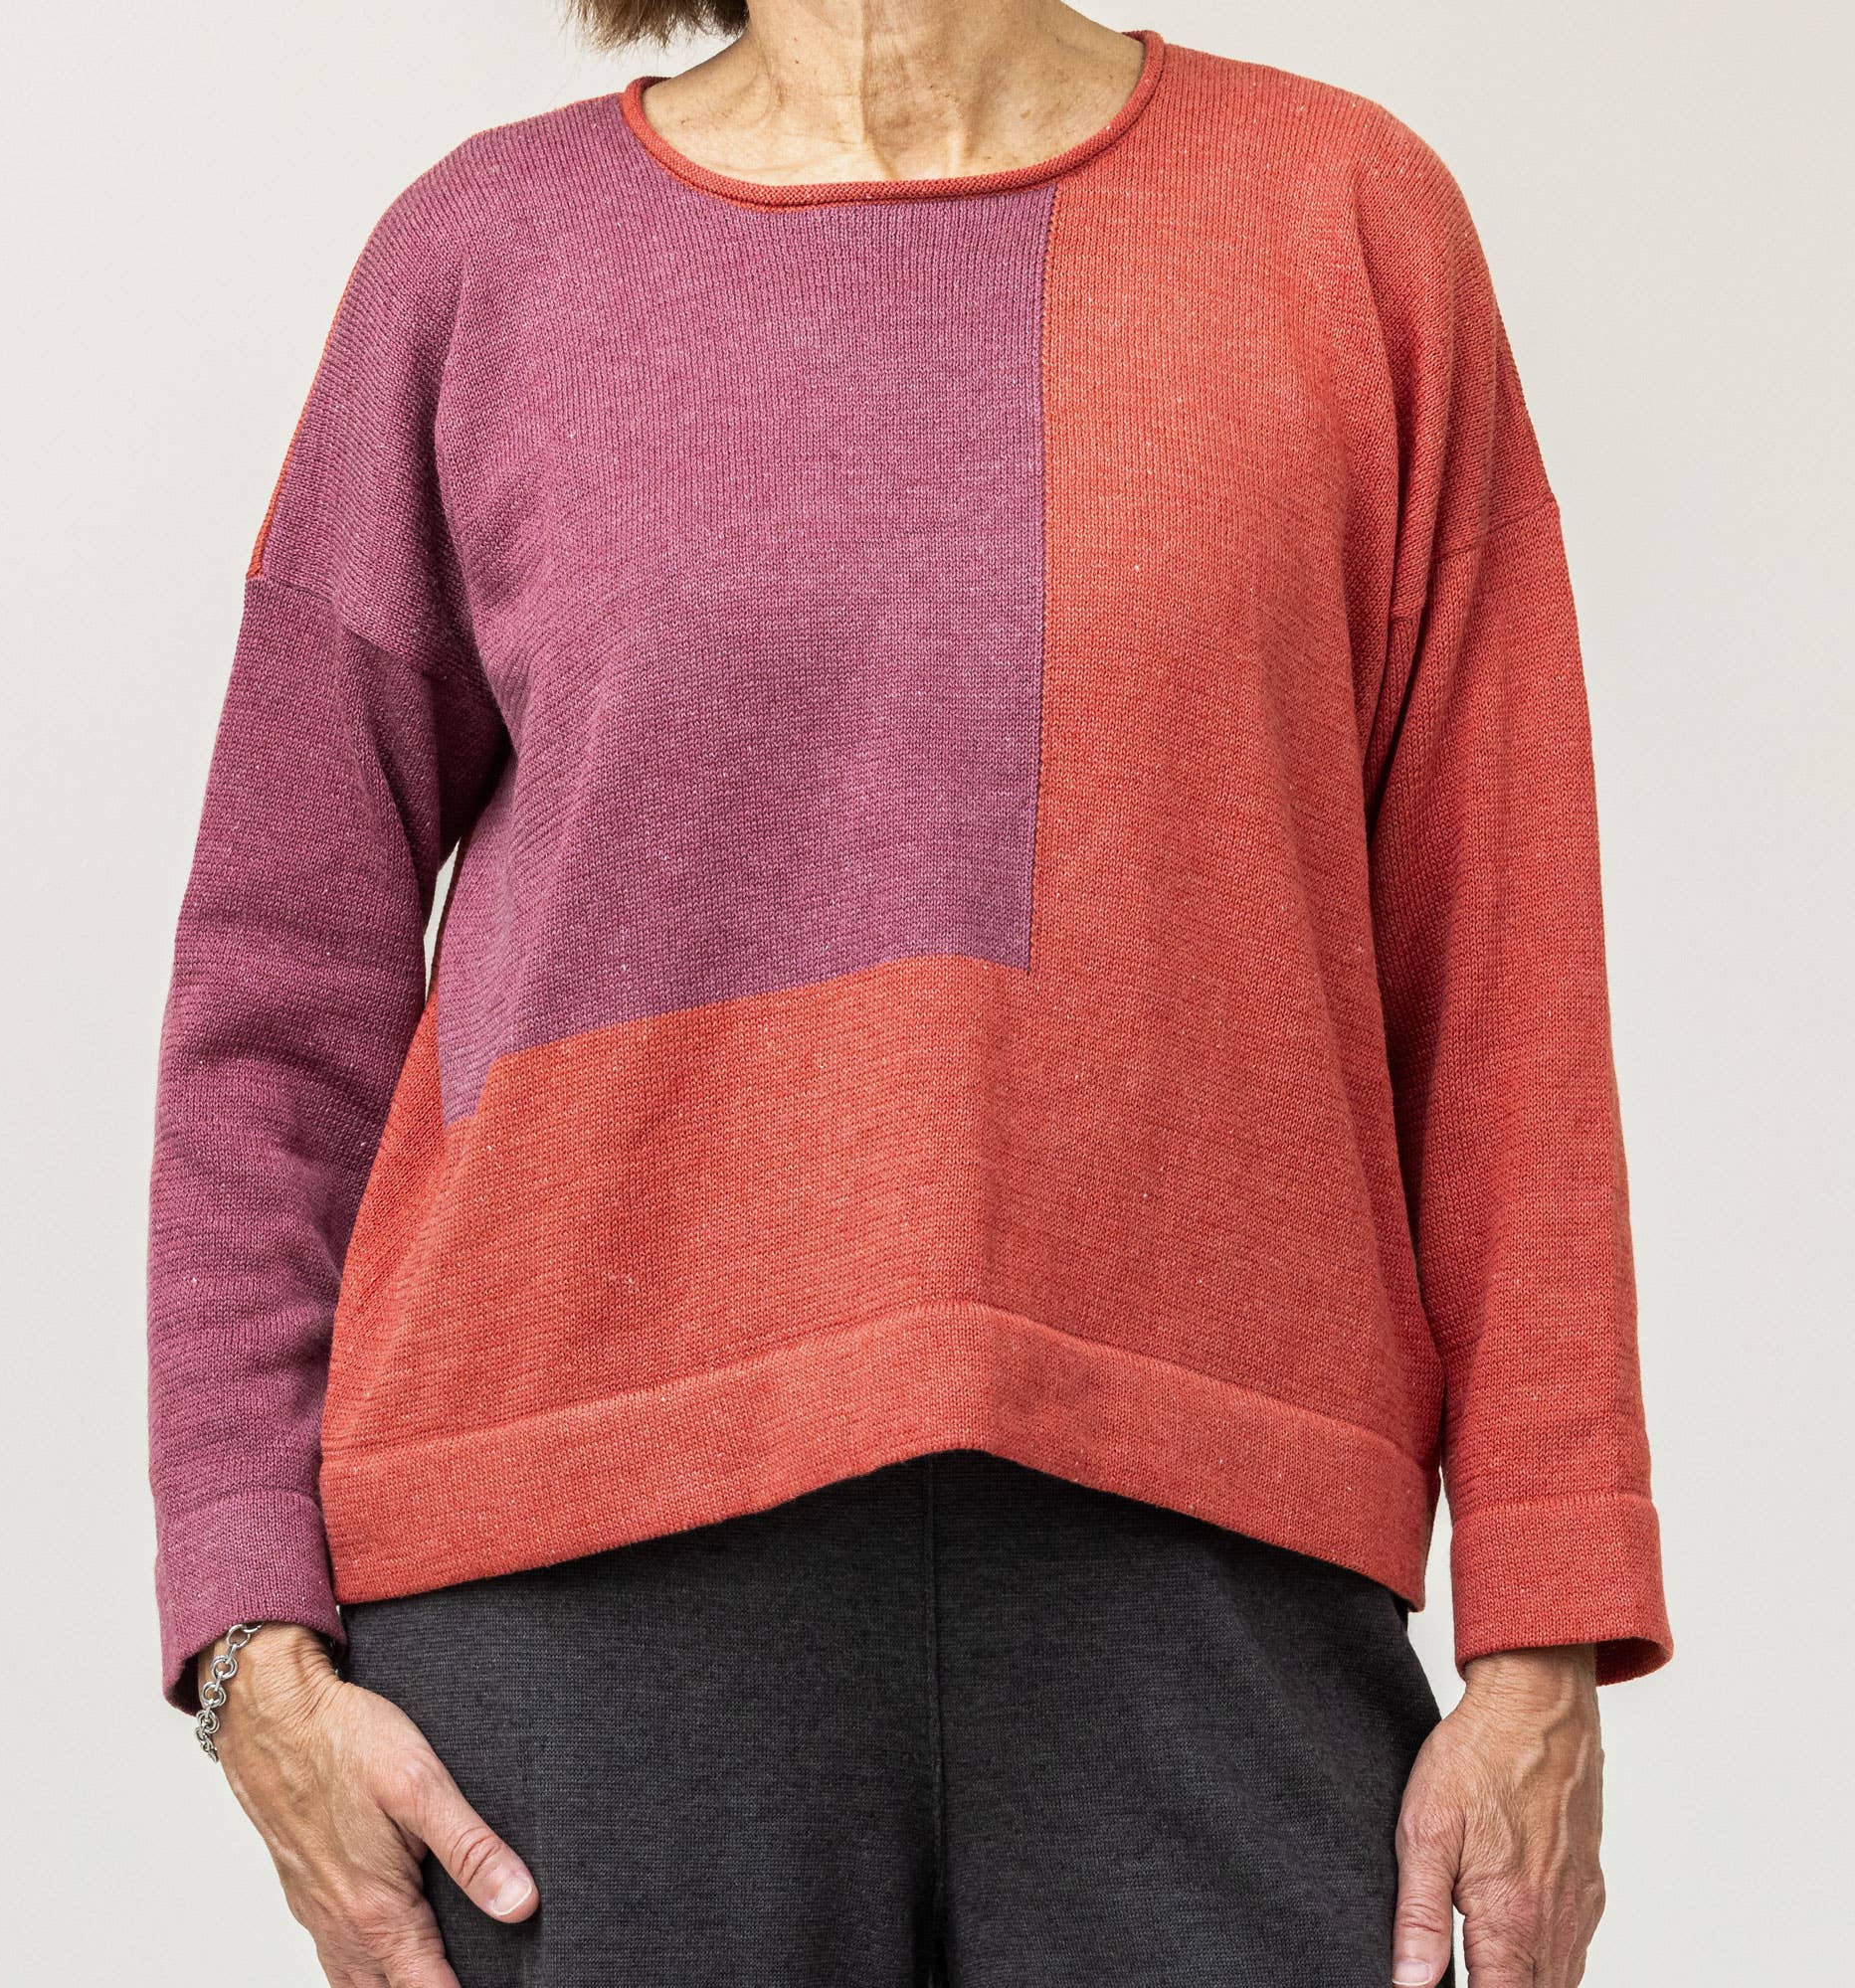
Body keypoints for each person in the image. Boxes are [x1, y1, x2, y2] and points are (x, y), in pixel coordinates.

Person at [146, 3, 1672, 1983]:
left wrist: (1545, 1632)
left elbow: (1503, 971)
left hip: (1209, 1576)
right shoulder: (480, 261)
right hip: (577, 1596)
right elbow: (279, 982)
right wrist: (247, 1637)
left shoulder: (1341, 219)